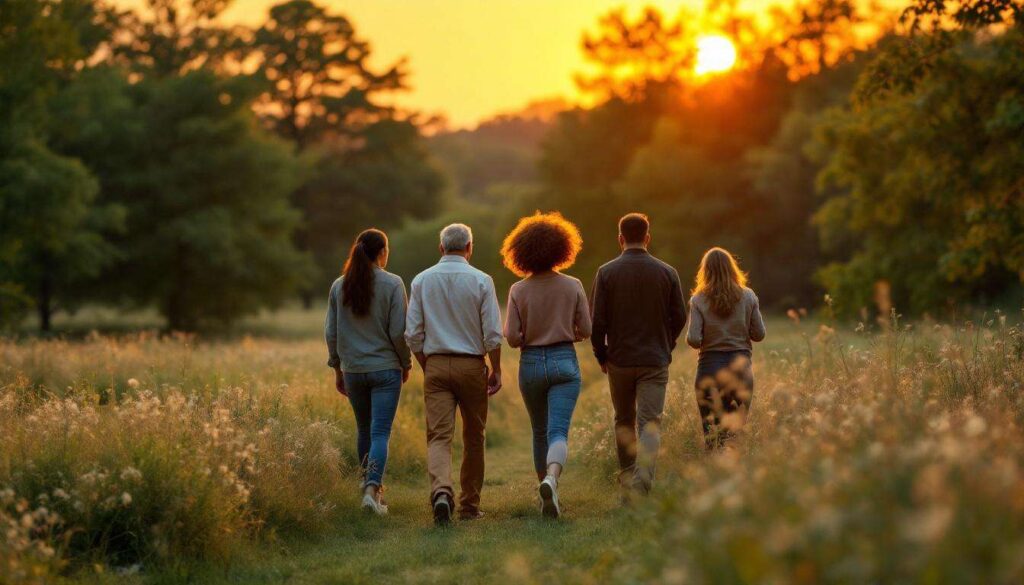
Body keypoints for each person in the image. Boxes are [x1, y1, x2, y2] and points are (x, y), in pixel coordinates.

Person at [406, 223, 503, 526]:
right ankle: (469, 506)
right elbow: (492, 335)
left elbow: (412, 335)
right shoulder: (482, 280)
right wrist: (496, 368)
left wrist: (427, 364)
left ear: (441, 248)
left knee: (439, 436)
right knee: (474, 437)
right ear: (470, 247)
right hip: (472, 365)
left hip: (435, 363)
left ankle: (441, 493)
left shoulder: (421, 280)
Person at [501, 212, 591, 519]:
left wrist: (529, 334)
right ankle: (552, 479)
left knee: (539, 431)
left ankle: (545, 491)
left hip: (531, 364)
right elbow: (587, 328)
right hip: (564, 359)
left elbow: (511, 337)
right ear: (562, 248)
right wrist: (572, 333)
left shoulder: (518, 290)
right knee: (558, 432)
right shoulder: (573, 284)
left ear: (521, 252)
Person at [590, 213, 686, 498]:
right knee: (650, 422)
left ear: (620, 238)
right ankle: (643, 480)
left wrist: (602, 355)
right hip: (654, 359)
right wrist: (666, 344)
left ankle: (628, 479)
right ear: (647, 237)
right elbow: (680, 316)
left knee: (623, 420)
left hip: (619, 359)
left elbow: (598, 323)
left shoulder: (606, 272)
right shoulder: (667, 272)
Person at [324, 228, 412, 516]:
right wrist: (406, 362)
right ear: (382, 252)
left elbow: (331, 333)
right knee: (379, 433)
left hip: (353, 370)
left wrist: (337, 368)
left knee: (364, 430)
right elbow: (399, 332)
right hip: (385, 369)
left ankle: (367, 487)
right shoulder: (393, 283)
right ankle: (372, 490)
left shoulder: (340, 285)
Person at [686, 247, 766, 449]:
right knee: (735, 435)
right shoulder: (748, 296)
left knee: (711, 434)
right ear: (732, 268)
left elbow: (694, 339)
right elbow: (759, 334)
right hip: (741, 369)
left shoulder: (698, 299)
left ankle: (712, 474)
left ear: (705, 271)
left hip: (709, 369)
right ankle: (732, 475)